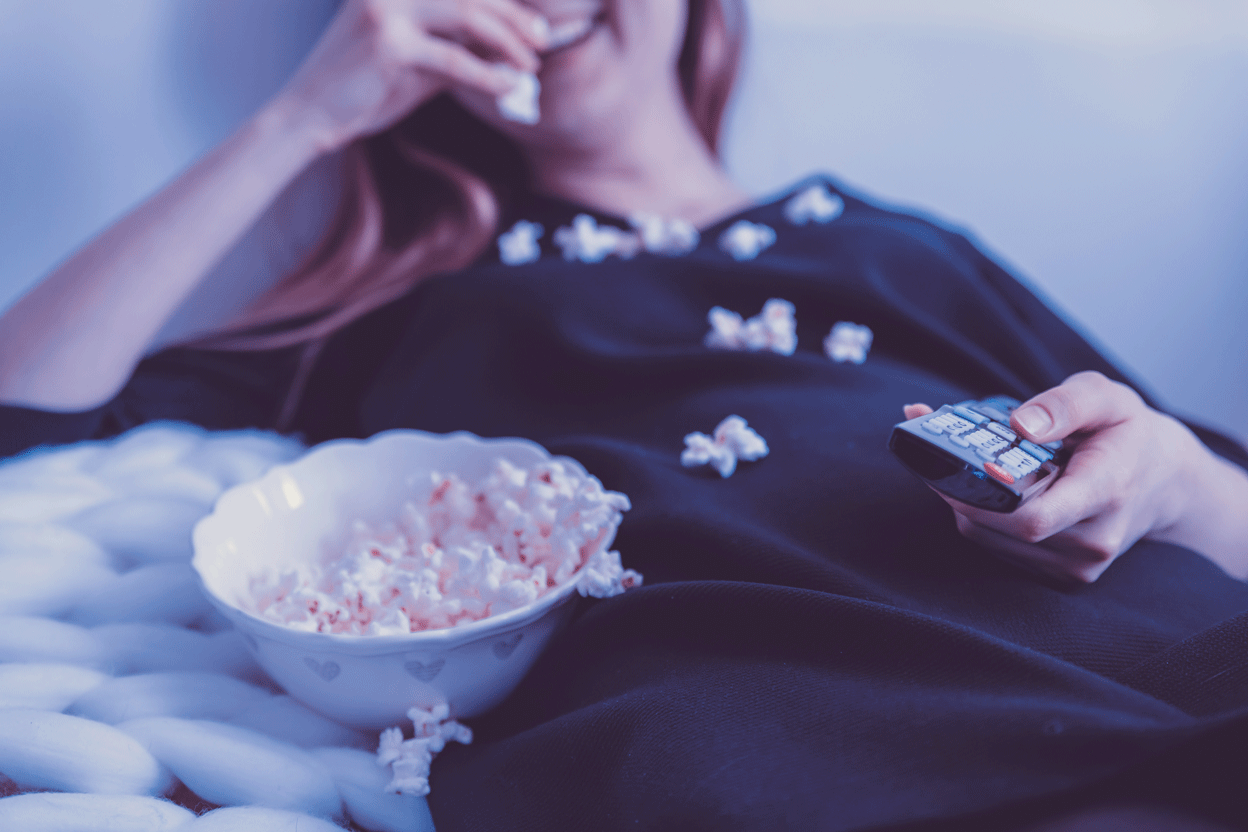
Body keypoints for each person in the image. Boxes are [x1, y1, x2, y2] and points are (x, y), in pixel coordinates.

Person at [2, 1, 1248, 828]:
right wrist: (304, 117)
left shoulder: (902, 250)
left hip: (1158, 659)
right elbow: (26, 413)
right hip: (788, 739)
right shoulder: (421, 307)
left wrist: (1177, 479)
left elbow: (1219, 507)